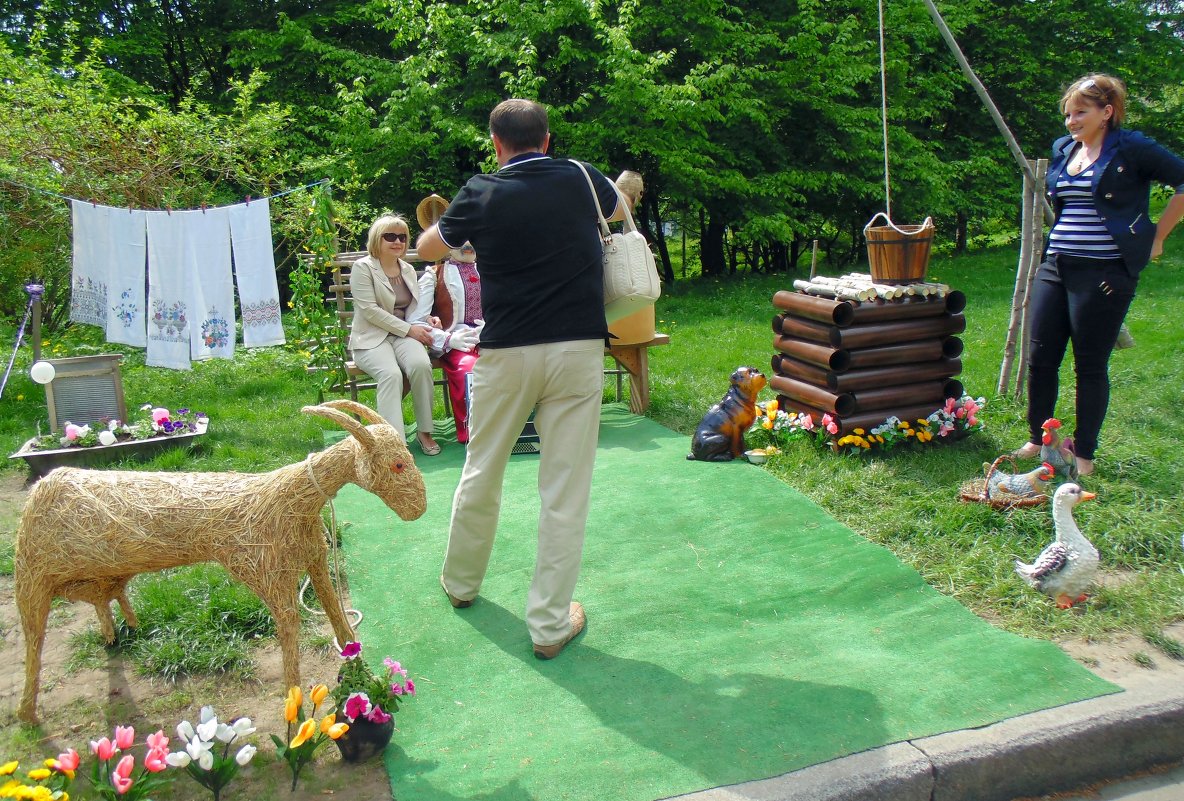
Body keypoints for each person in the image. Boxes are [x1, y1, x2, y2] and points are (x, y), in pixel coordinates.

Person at [417, 98, 623, 659]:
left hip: (506, 352)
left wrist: (463, 228)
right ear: (548, 139)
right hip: (578, 348)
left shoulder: (481, 190)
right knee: (564, 489)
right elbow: (620, 207)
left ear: (496, 143)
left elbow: (426, 247)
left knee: (483, 468)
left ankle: (461, 585)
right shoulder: (584, 178)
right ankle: (551, 624)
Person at [1014, 74, 1184, 476]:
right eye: (1068, 114)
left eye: (1080, 112)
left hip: (1105, 272)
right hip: (1055, 266)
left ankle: (1084, 454)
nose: (1071, 121)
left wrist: (1158, 236)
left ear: (1107, 112)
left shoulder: (1132, 148)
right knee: (1040, 357)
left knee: (1089, 364)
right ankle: (1039, 438)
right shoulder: (1064, 149)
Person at [348, 214, 442, 456]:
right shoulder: (363, 268)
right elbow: (370, 311)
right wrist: (410, 329)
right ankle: (393, 444)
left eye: (402, 237)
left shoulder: (408, 269)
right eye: (390, 236)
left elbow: (412, 307)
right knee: (390, 374)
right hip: (371, 338)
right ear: (376, 239)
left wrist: (425, 319)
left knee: (421, 366)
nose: (397, 241)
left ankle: (425, 431)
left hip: (402, 335)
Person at [416, 240, 484, 443]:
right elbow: (416, 320)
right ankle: (473, 433)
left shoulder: (493, 269)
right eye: (462, 238)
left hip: (492, 337)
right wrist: (448, 339)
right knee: (469, 370)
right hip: (455, 343)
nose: (469, 244)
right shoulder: (435, 275)